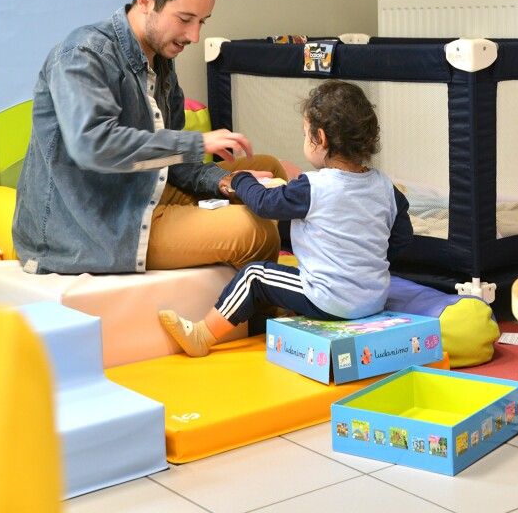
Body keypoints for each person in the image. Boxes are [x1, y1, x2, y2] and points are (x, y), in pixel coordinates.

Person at [13, 0, 286, 275]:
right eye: (185, 19)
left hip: (148, 190)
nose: (195, 36)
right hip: (98, 226)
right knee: (253, 232)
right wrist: (196, 144)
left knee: (268, 169)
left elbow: (173, 163)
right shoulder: (83, 55)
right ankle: (270, 319)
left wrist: (225, 181)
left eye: (202, 22)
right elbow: (93, 147)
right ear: (146, 0)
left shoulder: (162, 61)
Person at [159, 79, 413, 357]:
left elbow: (265, 204)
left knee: (254, 276)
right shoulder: (385, 186)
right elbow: (402, 239)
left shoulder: (313, 186)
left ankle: (202, 335)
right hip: (374, 298)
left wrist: (241, 179)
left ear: (321, 138)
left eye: (306, 134)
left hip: (329, 299)